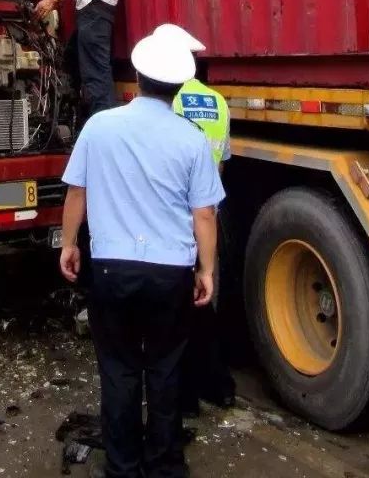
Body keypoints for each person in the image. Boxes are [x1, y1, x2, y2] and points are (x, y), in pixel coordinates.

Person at [59, 32, 225, 478]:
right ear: (178, 88)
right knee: (166, 370)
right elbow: (204, 214)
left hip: (111, 269)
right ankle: (166, 465)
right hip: (171, 272)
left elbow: (78, 190)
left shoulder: (100, 126)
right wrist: (206, 270)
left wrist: (69, 243)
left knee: (119, 370)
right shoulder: (192, 139)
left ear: (136, 76)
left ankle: (123, 466)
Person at [152, 24, 237, 415]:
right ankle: (219, 385)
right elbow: (222, 160)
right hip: (206, 213)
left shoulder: (166, 101)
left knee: (175, 319)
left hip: (171, 217)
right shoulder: (218, 101)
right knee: (203, 304)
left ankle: (186, 398)